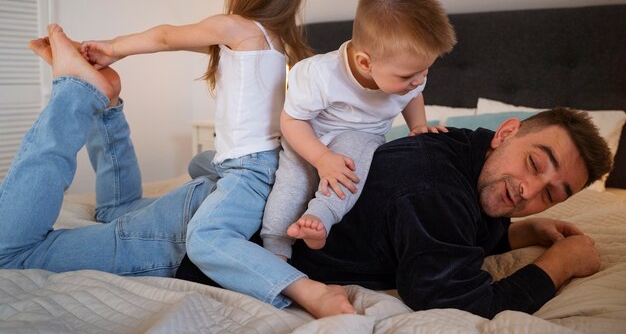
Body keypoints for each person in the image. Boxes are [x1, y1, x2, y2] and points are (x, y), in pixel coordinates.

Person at [0, 23, 353, 318]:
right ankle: (89, 97)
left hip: (206, 207)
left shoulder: (272, 43)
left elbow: (168, 36)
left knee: (48, 238)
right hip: (212, 210)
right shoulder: (349, 118)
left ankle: (92, 98)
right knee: (51, 237)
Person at [79, 0, 325, 312]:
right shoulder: (279, 39)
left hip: (251, 170)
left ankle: (305, 289)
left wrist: (112, 48)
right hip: (249, 160)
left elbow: (165, 36)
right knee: (199, 163)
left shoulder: (238, 28)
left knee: (206, 237)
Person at [179, 106, 613, 318]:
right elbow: (455, 300)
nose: (527, 192)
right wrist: (559, 264)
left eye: (551, 194)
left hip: (209, 206)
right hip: (199, 244)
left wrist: (521, 233)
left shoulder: (469, 153)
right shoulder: (434, 186)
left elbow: (450, 231)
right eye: (535, 164)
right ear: (506, 131)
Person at [260, 0, 455, 260]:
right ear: (365, 63)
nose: (419, 81)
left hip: (362, 139)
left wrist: (418, 126)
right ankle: (275, 247)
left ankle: (321, 217)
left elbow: (412, 97)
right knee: (291, 185)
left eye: (425, 71)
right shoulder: (319, 75)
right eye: (408, 76)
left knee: (352, 166)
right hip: (309, 138)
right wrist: (321, 159)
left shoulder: (411, 75)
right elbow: (291, 121)